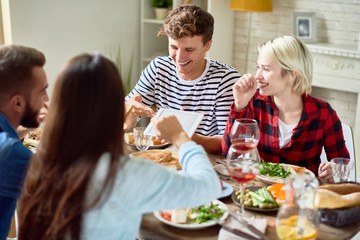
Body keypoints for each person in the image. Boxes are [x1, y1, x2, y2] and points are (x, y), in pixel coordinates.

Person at [18, 53, 221, 240]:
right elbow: (208, 187)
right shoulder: (127, 173)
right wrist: (180, 138)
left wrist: (122, 125)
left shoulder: (37, 161)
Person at [221, 35, 349, 182]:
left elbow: (341, 166)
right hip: (259, 193)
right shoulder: (253, 103)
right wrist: (239, 105)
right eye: (258, 67)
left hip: (301, 195)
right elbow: (228, 156)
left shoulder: (324, 114)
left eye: (266, 69)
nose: (257, 76)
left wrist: (332, 171)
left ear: (292, 74)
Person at [125, 4, 240, 154]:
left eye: (189, 50)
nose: (179, 58)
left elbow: (227, 144)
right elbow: (121, 115)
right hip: (165, 158)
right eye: (174, 47)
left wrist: (181, 135)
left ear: (207, 45)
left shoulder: (225, 80)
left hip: (205, 163)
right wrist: (131, 110)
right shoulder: (159, 67)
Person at [0, 45, 48, 239]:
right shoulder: (10, 154)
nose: (47, 99)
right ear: (17, 103)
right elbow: (72, 192)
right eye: (42, 92)